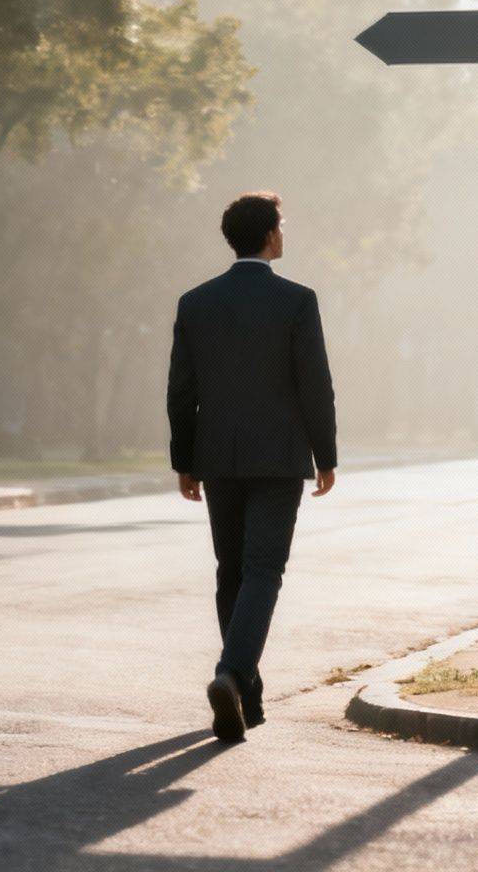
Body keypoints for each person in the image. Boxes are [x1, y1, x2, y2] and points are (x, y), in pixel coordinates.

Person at [166, 190, 337, 743]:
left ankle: (247, 698)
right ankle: (232, 674)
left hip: (216, 457)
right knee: (264, 570)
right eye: (281, 226)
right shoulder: (297, 300)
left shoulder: (195, 302)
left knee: (231, 571)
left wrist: (185, 460)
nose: (283, 234)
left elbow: (181, 390)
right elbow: (315, 385)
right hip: (280, 457)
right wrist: (326, 455)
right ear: (268, 235)